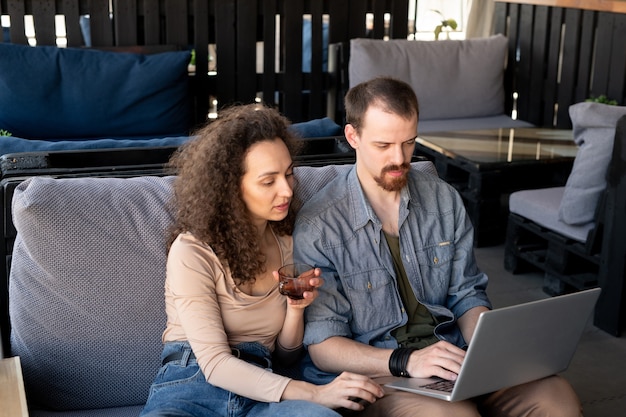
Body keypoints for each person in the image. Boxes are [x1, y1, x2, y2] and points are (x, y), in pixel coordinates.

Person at [292, 77, 583, 417]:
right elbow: (324, 347)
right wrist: (408, 361)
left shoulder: (443, 198)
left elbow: (466, 295)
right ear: (353, 137)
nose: (399, 159)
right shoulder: (319, 225)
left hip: (451, 355)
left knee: (555, 397)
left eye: (409, 142)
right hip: (382, 372)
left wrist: (488, 349)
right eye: (384, 145)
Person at [140, 104, 384, 417]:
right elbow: (215, 364)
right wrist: (316, 393)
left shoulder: (288, 242)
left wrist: (296, 310)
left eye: (289, 174)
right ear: (229, 188)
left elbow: (287, 356)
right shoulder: (193, 251)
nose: (286, 190)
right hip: (192, 386)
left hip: (264, 390)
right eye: (268, 181)